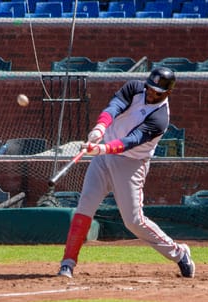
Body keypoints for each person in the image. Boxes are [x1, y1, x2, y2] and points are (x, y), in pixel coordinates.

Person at [57, 67, 195, 279]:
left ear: (167, 93)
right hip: (103, 159)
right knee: (84, 207)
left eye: (157, 92)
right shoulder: (134, 88)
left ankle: (179, 253)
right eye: (150, 88)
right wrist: (99, 129)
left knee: (133, 221)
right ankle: (68, 263)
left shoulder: (160, 118)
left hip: (131, 163)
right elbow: (114, 107)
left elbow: (131, 141)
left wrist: (101, 148)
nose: (151, 93)